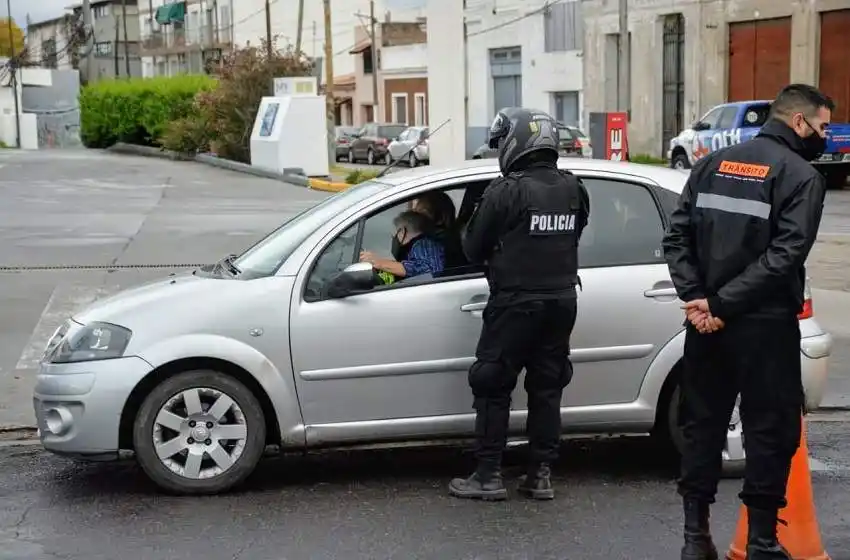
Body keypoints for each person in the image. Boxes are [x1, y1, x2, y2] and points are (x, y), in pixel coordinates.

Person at [661, 84, 832, 560]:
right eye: (821, 127)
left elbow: (676, 238)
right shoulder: (800, 175)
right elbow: (785, 256)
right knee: (771, 430)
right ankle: (761, 542)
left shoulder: (713, 164)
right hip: (762, 325)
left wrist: (699, 300)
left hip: (706, 326)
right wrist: (719, 304)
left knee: (702, 426)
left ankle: (695, 540)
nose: (824, 136)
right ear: (799, 122)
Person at [448, 107, 590, 501]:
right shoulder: (573, 187)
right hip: (561, 302)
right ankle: (540, 474)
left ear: (515, 143)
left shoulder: (505, 190)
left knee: (492, 383)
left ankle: (488, 475)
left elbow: (472, 248)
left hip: (515, 304)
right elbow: (574, 233)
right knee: (548, 386)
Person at [359, 210, 445, 282]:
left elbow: (429, 270)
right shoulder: (415, 246)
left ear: (403, 231)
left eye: (396, 233)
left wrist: (378, 262)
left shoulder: (424, 244)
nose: (395, 237)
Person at [410, 191, 468, 269]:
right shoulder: (451, 238)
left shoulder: (439, 245)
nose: (415, 219)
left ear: (440, 218)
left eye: (421, 214)